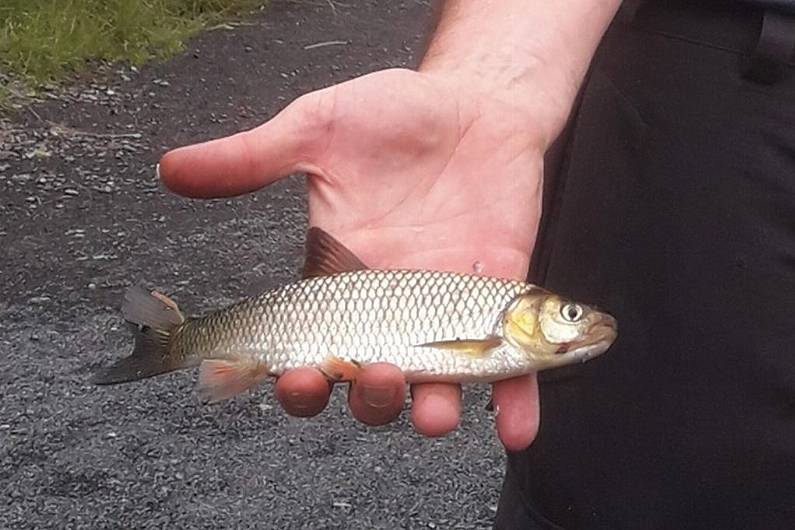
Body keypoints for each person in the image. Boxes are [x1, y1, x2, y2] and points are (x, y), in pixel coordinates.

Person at [157, 1, 795, 528]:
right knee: (636, 475)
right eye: (567, 314)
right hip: (717, 69)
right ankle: (176, 340)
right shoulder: (499, 326)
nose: (580, 321)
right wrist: (487, 88)